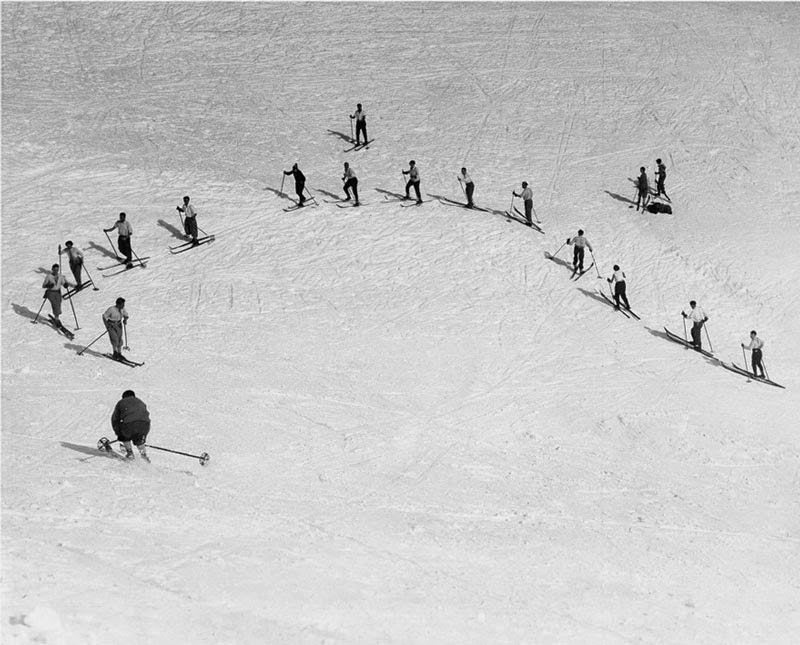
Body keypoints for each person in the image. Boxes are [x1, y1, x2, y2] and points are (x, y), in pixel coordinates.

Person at [111, 390, 150, 460]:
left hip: (129, 424)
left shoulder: (121, 402)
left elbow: (115, 419)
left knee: (125, 436)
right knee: (139, 439)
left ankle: (130, 453)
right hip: (145, 424)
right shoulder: (140, 402)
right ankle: (143, 455)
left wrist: (119, 434)